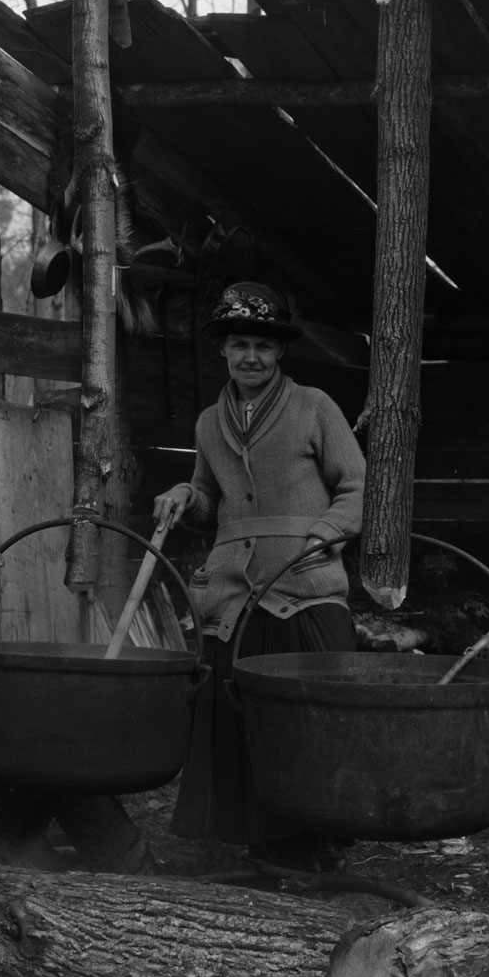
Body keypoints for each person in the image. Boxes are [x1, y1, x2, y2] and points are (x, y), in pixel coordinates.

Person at [152, 281, 364, 870]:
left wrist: (327, 533)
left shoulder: (315, 408)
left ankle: (319, 838)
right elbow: (206, 501)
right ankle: (261, 846)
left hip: (305, 585)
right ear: (222, 350)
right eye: (240, 344)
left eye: (263, 347)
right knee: (237, 718)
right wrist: (181, 495)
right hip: (233, 592)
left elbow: (356, 484)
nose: (251, 357)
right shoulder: (207, 424)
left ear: (280, 353)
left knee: (313, 718)